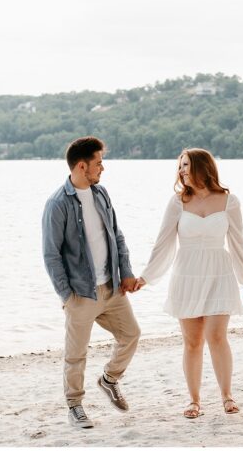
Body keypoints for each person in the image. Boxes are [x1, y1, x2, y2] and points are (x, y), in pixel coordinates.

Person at [133, 149, 243, 419]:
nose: (182, 171)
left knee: (217, 336)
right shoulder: (177, 202)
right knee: (192, 342)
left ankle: (227, 395)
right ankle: (194, 400)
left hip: (218, 274)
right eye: (180, 166)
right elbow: (163, 242)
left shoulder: (228, 201)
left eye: (186, 165)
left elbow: (238, 242)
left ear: (202, 167)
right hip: (186, 275)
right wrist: (146, 276)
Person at [42, 136, 140, 430]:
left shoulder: (101, 194)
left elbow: (117, 235)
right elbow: (51, 254)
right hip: (80, 293)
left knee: (131, 335)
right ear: (82, 166)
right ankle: (75, 406)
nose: (103, 168)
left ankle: (109, 379)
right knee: (76, 355)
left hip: (111, 287)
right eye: (99, 163)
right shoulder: (57, 204)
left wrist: (126, 272)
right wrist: (66, 294)